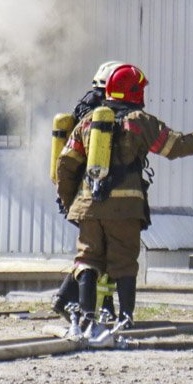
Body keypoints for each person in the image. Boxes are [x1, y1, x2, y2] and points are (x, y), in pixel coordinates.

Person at [55, 63, 193, 344]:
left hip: (88, 207)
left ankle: (86, 317)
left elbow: (65, 164)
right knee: (124, 262)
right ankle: (125, 317)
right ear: (135, 92)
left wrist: (70, 201)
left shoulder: (88, 121)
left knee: (87, 259)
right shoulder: (140, 121)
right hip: (125, 209)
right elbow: (176, 146)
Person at [50, 61, 126, 321]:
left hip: (79, 194)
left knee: (94, 253)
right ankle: (93, 307)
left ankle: (69, 300)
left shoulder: (85, 108)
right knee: (100, 254)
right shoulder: (103, 114)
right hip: (95, 195)